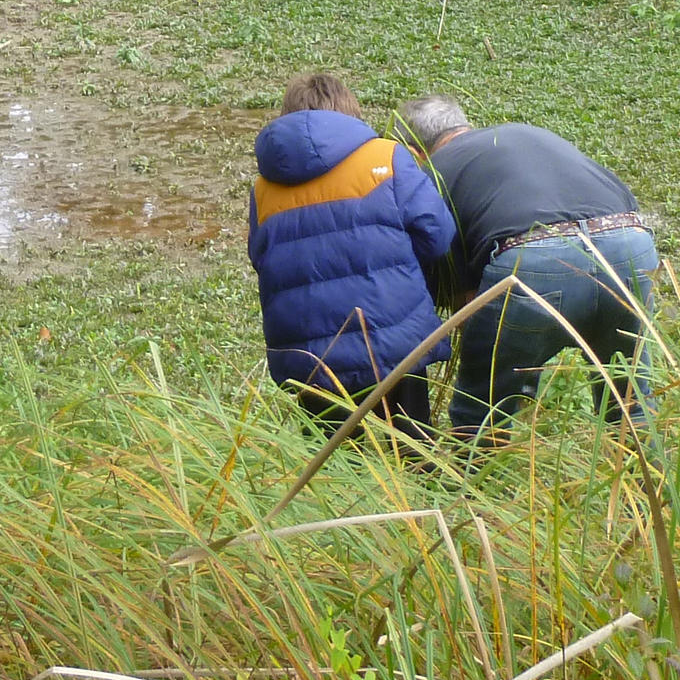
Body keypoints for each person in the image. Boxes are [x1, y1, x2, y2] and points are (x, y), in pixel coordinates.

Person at [398, 96, 658, 442]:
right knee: (630, 403)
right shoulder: (529, 134)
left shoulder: (433, 172)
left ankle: (471, 493)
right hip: (630, 246)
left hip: (532, 260)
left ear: (415, 151)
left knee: (482, 415)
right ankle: (645, 492)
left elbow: (465, 298)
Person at [247, 74, 456, 441]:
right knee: (410, 458)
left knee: (333, 473)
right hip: (393, 345)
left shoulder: (264, 188)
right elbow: (436, 236)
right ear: (350, 112)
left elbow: (260, 257)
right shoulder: (387, 156)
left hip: (312, 358)